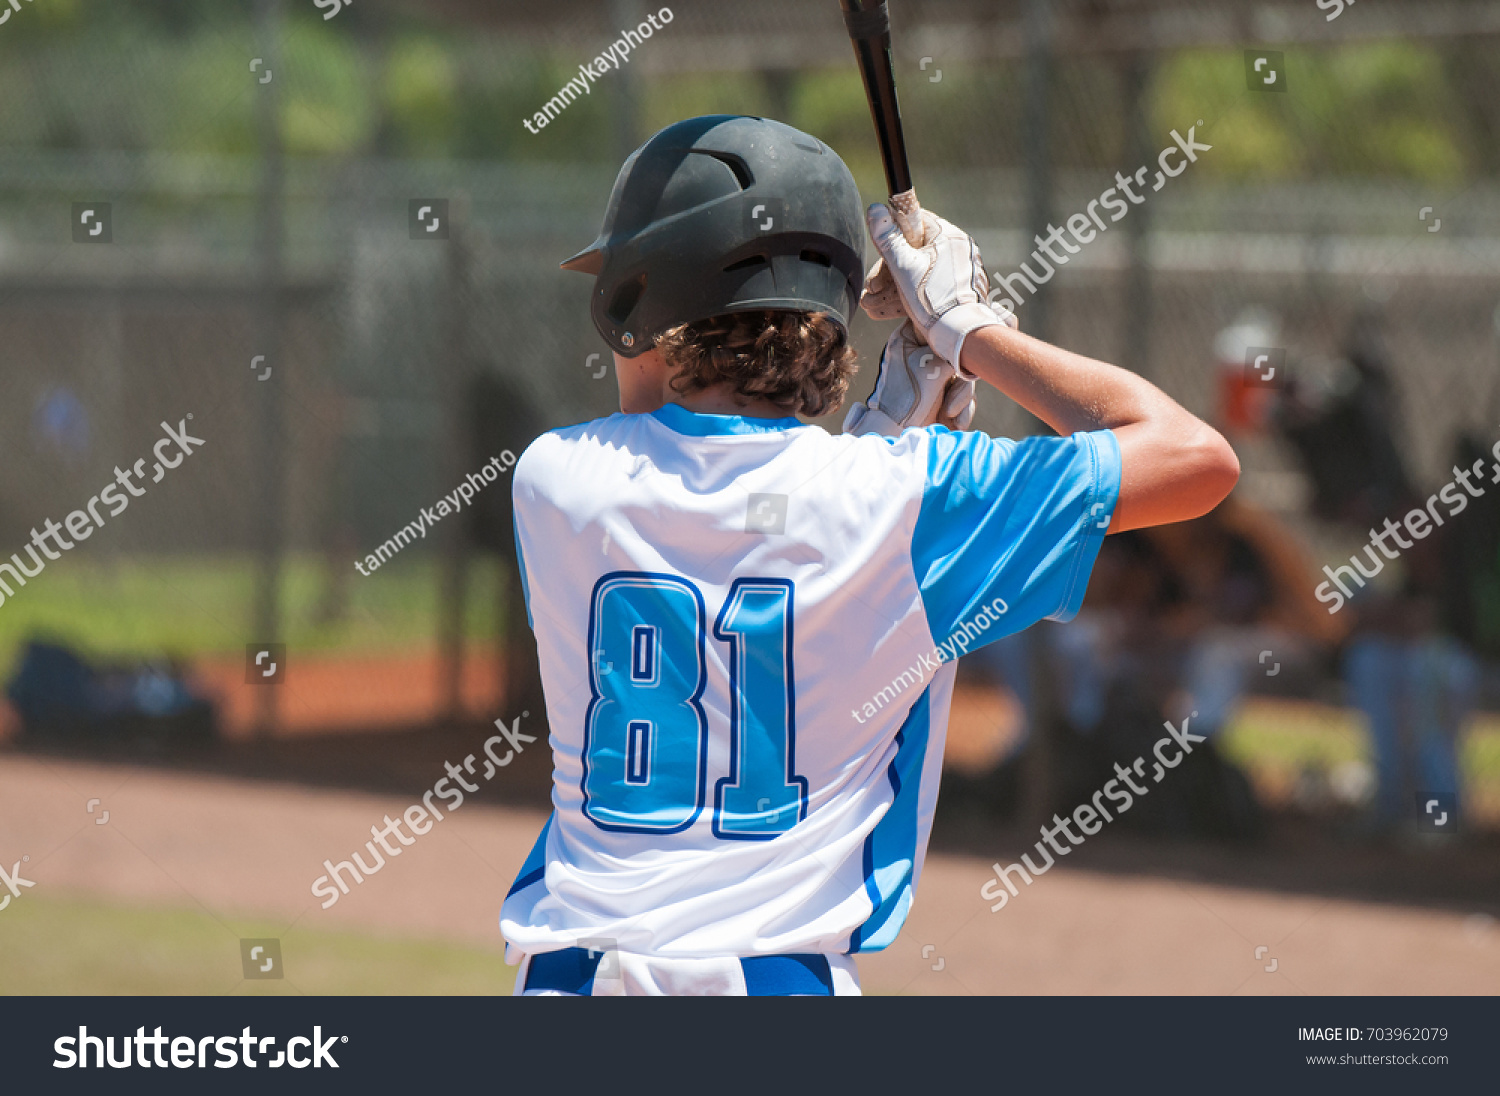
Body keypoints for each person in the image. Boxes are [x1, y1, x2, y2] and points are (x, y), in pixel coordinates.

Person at [499, 115, 1239, 995]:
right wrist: (970, 333)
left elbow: (745, 504)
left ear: (632, 307)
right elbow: (1197, 459)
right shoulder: (907, 499)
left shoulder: (555, 480)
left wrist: (883, 435)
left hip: (569, 982)